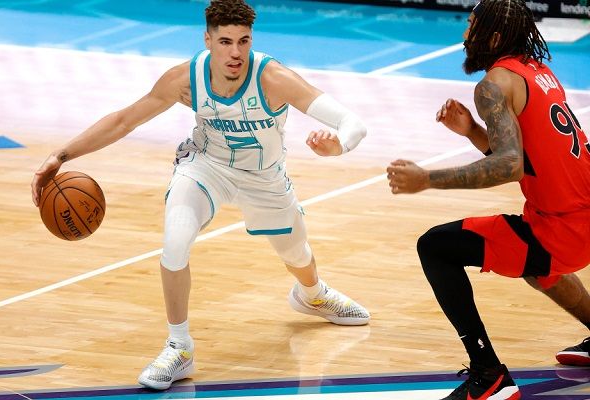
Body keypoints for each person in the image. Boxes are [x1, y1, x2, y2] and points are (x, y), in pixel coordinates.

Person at [31, 0, 370, 391]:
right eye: (225, 42)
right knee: (175, 242)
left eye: (244, 41)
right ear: (207, 40)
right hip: (207, 166)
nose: (236, 52)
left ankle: (313, 295)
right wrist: (61, 155)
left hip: (264, 177)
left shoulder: (273, 78)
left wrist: (338, 146)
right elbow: (124, 120)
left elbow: (353, 123)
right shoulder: (184, 79)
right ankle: (180, 347)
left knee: (296, 253)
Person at [386, 1, 590, 399]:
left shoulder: (494, 84)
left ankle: (489, 374)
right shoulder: (537, 72)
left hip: (562, 230)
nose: (465, 35)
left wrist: (426, 179)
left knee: (435, 247)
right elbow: (529, 160)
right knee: (533, 261)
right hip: (580, 218)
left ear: (493, 38)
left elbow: (510, 166)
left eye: (471, 25)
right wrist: (472, 132)